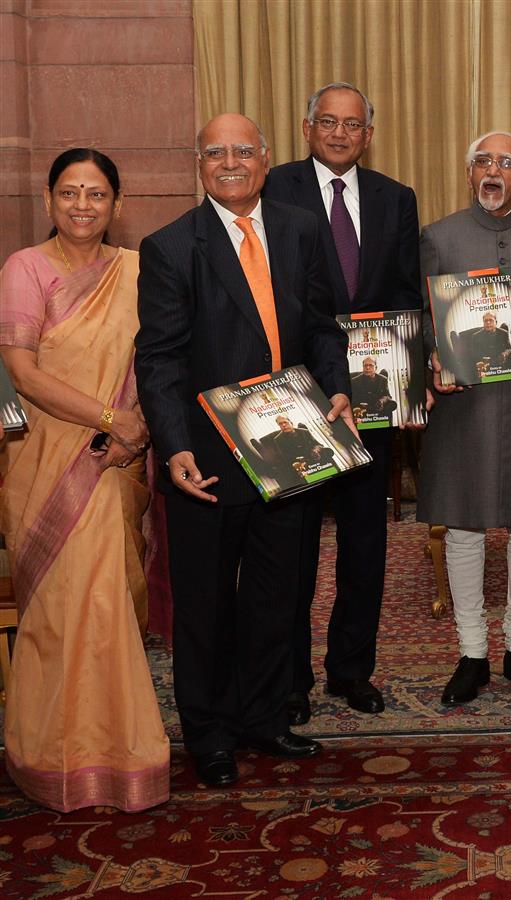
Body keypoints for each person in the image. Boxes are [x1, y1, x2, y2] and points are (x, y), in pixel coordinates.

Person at [135, 113, 351, 788]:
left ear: (265, 160)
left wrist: (339, 390)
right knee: (204, 603)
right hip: (205, 461)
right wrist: (172, 446)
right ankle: (208, 732)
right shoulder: (171, 246)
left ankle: (261, 717)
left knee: (274, 595)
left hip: (289, 448)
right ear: (199, 165)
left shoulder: (300, 227)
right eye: (214, 152)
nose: (229, 161)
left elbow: (321, 325)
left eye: (242, 151)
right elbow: (161, 359)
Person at [0, 149, 168, 811]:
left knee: (109, 605)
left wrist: (138, 429)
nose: (82, 206)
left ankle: (120, 751)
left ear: (116, 205)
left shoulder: (135, 270)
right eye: (69, 193)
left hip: (117, 462)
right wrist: (113, 420)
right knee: (58, 611)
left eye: (97, 195)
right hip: (47, 458)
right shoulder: (24, 268)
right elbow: (24, 370)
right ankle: (48, 753)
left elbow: (158, 359)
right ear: (48, 200)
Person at [262, 82, 421, 724]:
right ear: (306, 128)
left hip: (373, 398)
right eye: (327, 121)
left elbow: (407, 294)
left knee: (365, 541)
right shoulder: (271, 188)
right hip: (296, 395)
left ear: (368, 134)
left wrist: (410, 373)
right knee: (294, 546)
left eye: (351, 125)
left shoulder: (396, 199)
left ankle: (352, 670)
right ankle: (292, 678)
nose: (338, 133)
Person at [420, 131, 511, 705]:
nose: (493, 170)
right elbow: (422, 315)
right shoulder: (437, 236)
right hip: (465, 402)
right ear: (468, 170)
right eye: (483, 159)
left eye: (507, 163)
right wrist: (432, 352)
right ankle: (472, 653)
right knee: (463, 523)